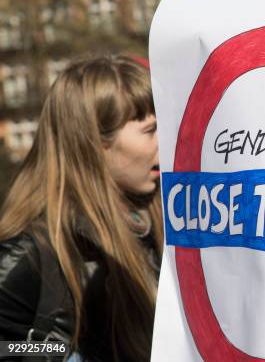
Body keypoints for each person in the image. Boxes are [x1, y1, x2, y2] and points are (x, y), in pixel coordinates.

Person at [0, 55, 163, 361]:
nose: (164, 141)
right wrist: (61, 349)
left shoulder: (163, 221)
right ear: (94, 142)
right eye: (151, 130)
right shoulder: (30, 254)